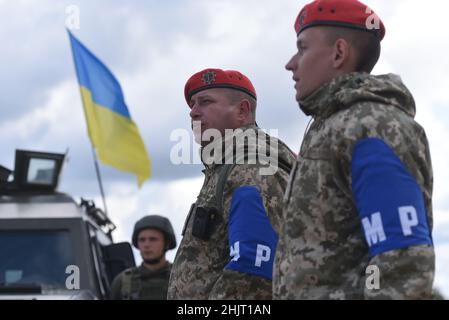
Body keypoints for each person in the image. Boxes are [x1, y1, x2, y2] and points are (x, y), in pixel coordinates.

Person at [274, 0, 435, 300]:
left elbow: (401, 262)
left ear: (338, 53)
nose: (291, 63)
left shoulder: (369, 126)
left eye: (302, 48)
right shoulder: (331, 126)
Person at [167, 68, 296, 299]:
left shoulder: (249, 167)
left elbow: (254, 268)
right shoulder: (228, 165)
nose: (193, 113)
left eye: (205, 102)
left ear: (242, 111)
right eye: (192, 105)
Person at [109, 215, 176, 300]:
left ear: (166, 243)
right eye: (142, 240)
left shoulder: (183, 277)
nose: (146, 245)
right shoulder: (122, 282)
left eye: (153, 239)